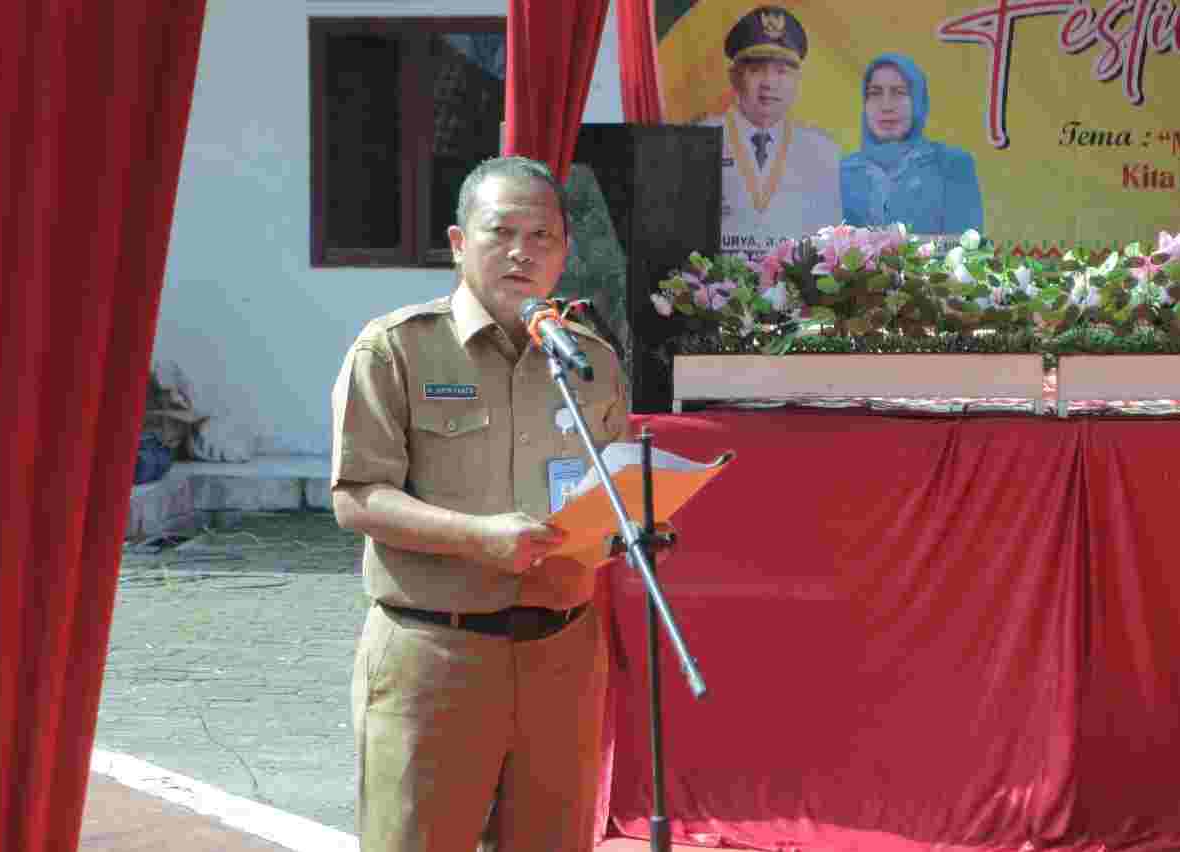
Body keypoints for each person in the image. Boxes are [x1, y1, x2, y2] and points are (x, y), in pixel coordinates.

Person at [330, 155, 629, 851]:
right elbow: (356, 497)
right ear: (460, 244)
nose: (522, 252)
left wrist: (631, 521)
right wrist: (478, 538)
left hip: (562, 655)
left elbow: (612, 482)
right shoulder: (396, 350)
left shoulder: (589, 362)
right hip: (435, 656)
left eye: (543, 237)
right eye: (501, 233)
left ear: (564, 254)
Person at [695, 5, 841, 258]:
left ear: (797, 80)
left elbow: (829, 244)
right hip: (715, 290)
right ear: (734, 77)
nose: (769, 83)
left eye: (782, 71)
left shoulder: (822, 151)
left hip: (794, 291)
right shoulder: (699, 140)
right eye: (755, 70)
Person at [840, 53, 984, 235]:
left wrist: (898, 249)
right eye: (875, 93)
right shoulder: (842, 172)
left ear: (918, 101)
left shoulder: (951, 165)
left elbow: (967, 246)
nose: (886, 106)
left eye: (899, 92)